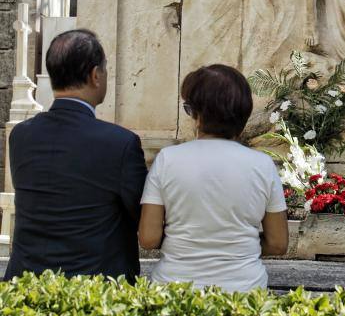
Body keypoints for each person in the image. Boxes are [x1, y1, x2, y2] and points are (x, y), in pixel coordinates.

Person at [5, 29, 147, 282]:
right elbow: (143, 215)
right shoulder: (121, 143)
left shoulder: (21, 136)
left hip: (26, 286)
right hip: (95, 294)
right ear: (95, 75)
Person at [139, 64, 288, 291]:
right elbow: (278, 244)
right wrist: (236, 245)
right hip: (244, 293)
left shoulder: (167, 160)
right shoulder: (262, 165)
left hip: (175, 290)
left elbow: (148, 238)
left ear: (198, 116)